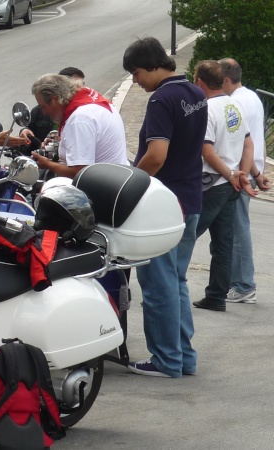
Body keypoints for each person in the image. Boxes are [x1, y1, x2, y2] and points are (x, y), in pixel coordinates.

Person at [121, 37, 207, 378]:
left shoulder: (162, 99)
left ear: (153, 66)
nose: (135, 81)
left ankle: (166, 360)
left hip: (163, 205)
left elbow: (156, 156)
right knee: (177, 281)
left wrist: (129, 186)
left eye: (136, 73)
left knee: (157, 285)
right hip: (191, 198)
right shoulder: (195, 93)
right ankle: (185, 358)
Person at [191, 60, 256, 313]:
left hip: (212, 182)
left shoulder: (206, 109)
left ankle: (170, 289)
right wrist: (241, 174)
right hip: (231, 183)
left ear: (199, 82)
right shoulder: (235, 105)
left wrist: (230, 174)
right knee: (223, 244)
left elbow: (206, 150)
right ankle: (217, 295)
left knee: (186, 236)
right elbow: (248, 143)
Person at [219, 58, 271, 304]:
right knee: (236, 229)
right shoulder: (251, 97)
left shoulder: (234, 102)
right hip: (250, 171)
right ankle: (238, 282)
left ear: (226, 79)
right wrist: (258, 172)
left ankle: (243, 285)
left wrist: (250, 174)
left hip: (240, 174)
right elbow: (257, 137)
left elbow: (241, 142)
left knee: (237, 231)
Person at [29, 73, 128, 177]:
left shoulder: (79, 119)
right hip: (117, 175)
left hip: (103, 185)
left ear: (55, 99)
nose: (44, 113)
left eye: (43, 106)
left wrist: (48, 164)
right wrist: (61, 143)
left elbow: (79, 172)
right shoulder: (89, 101)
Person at [19, 67, 86, 144]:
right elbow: (29, 127)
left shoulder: (79, 117)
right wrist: (24, 131)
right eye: (72, 86)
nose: (77, 89)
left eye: (81, 85)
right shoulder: (39, 111)